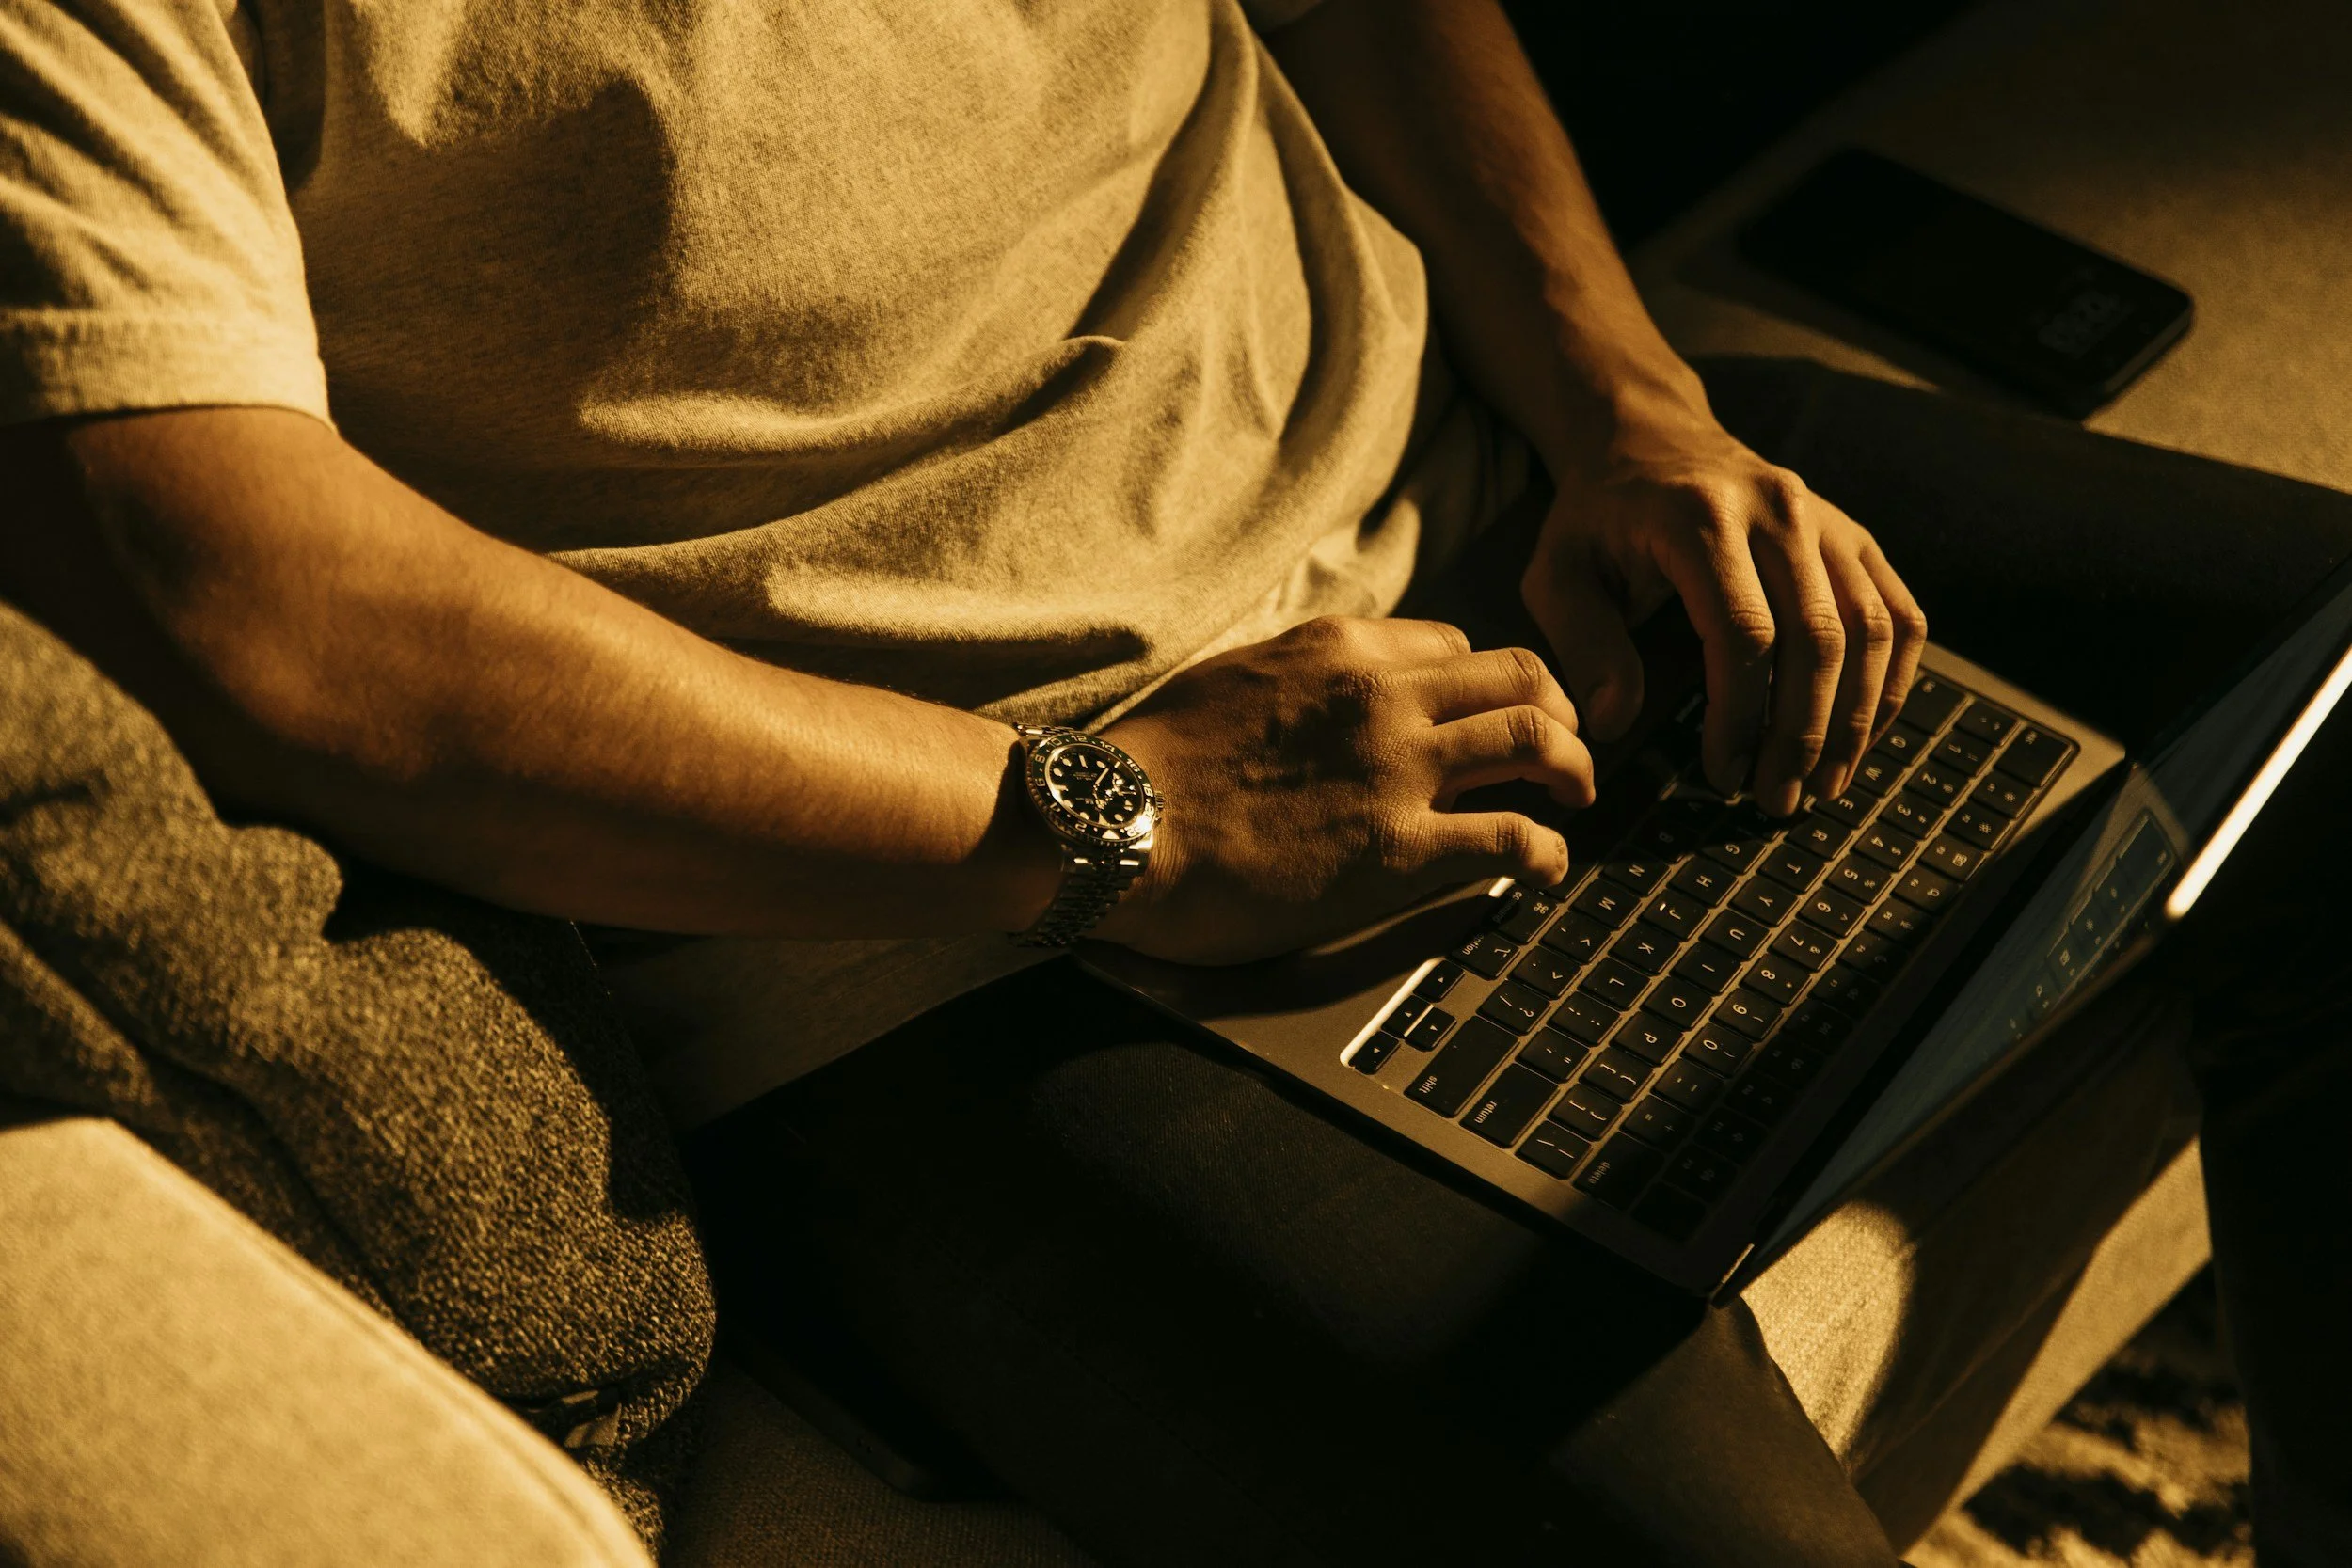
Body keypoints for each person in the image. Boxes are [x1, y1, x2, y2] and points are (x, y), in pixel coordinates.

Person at [1, 0, 2344, 1563]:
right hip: (933, 927)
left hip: (1494, 511)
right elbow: (233, 589)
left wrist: (1623, 400)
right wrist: (1108, 820)